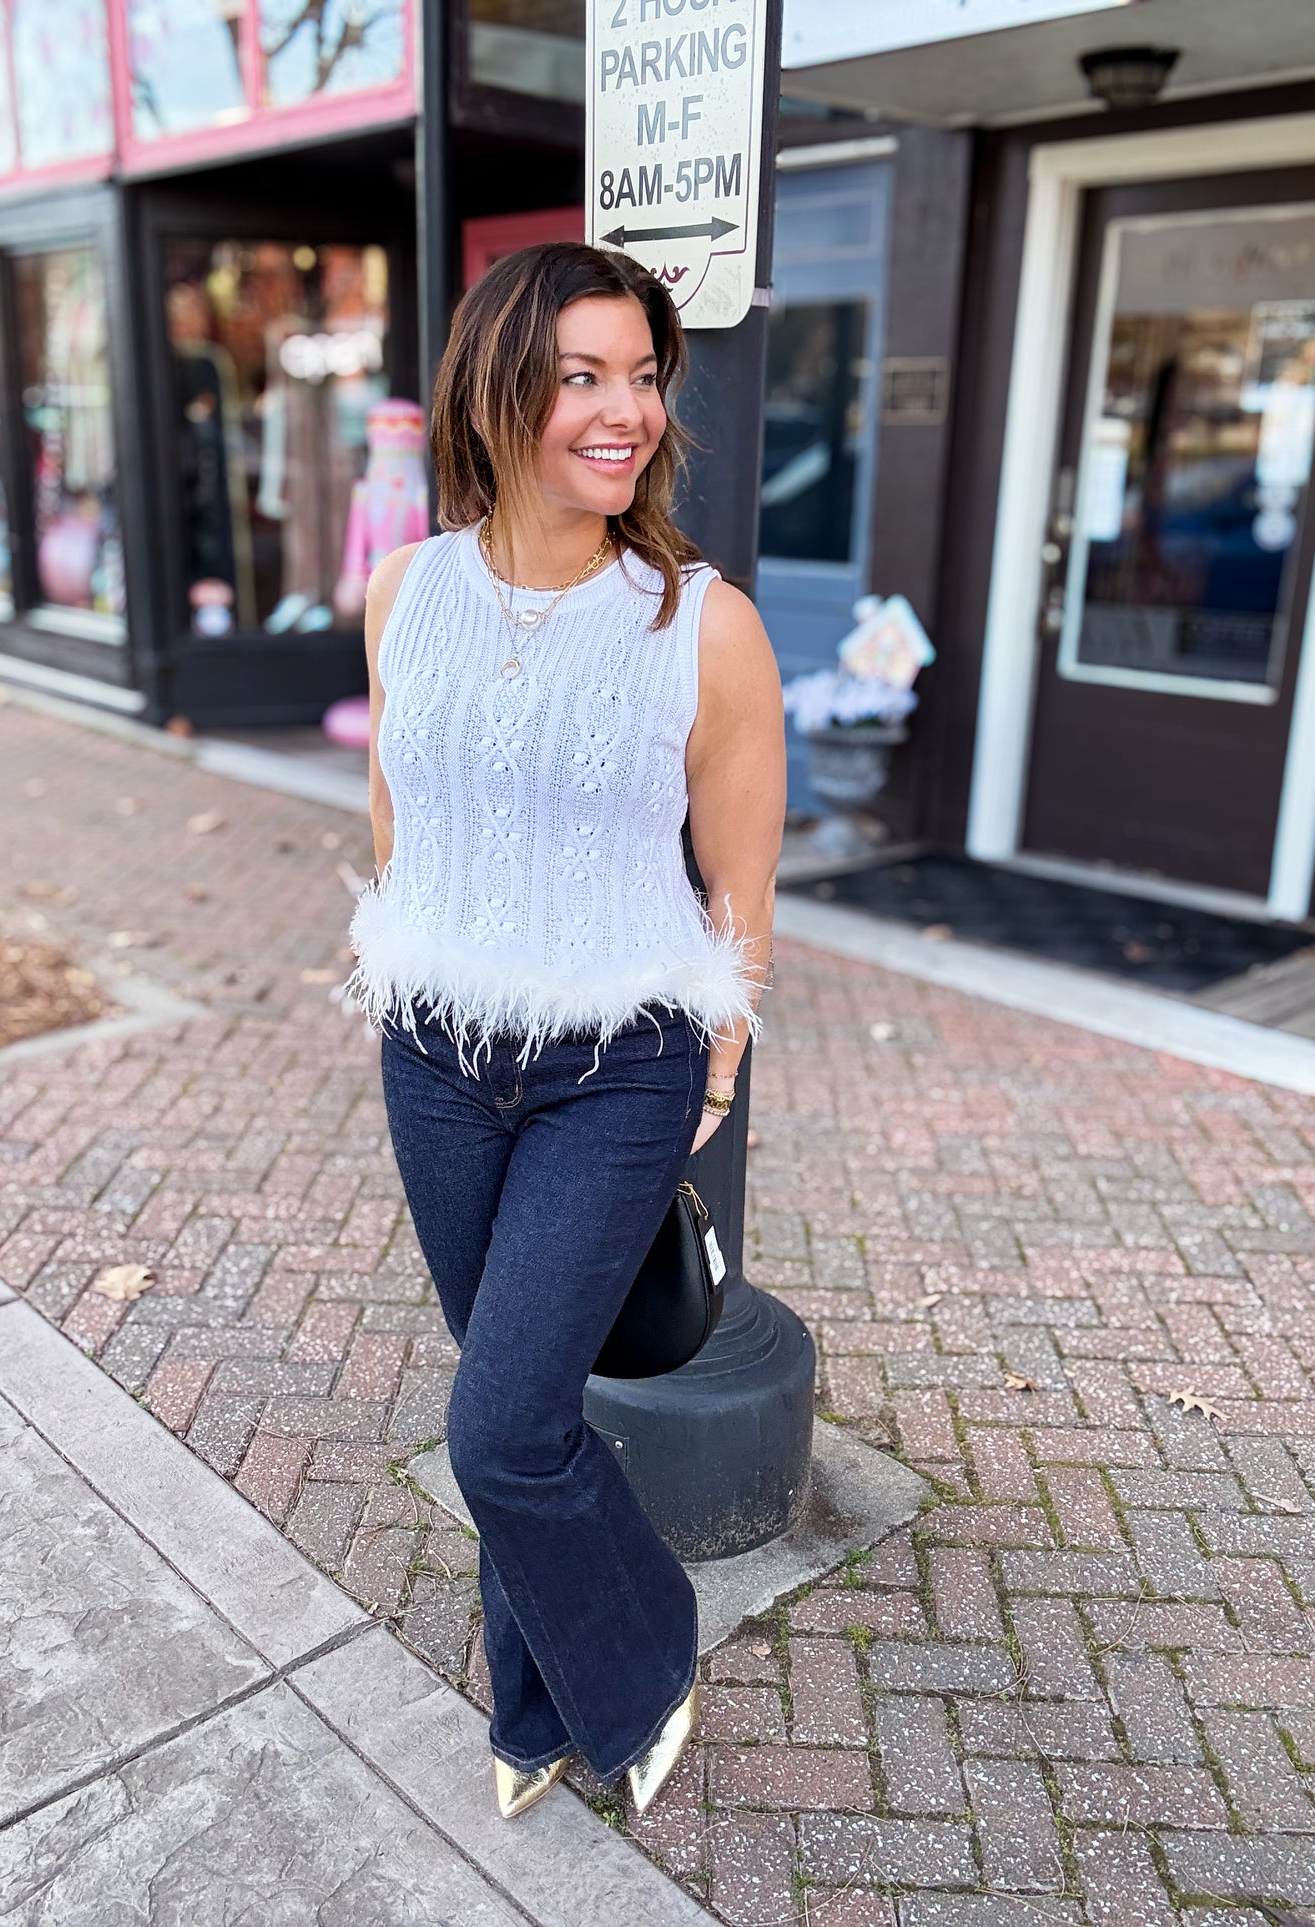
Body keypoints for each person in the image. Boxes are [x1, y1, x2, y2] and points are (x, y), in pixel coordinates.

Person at [347, 241, 785, 1819]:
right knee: (515, 1411)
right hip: (437, 1054)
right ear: (499, 387)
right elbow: (396, 808)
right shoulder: (408, 587)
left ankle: (642, 1658)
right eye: (582, 376)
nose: (626, 413)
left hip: (617, 1062)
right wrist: (428, 959)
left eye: (643, 376)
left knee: (500, 1432)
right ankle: (531, 1712)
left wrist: (716, 1073)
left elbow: (738, 886)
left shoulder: (700, 623)